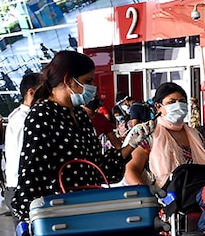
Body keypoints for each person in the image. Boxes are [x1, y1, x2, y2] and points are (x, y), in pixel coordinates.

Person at [12, 51, 141, 223]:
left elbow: (98, 168)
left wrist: (131, 144)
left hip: (89, 208)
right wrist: (32, 217)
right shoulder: (42, 115)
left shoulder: (80, 115)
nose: (93, 87)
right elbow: (33, 173)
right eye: (88, 81)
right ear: (68, 80)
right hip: (59, 214)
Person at [124, 82, 205, 187]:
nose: (178, 105)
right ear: (158, 106)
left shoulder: (196, 135)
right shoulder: (148, 133)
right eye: (172, 102)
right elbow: (131, 169)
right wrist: (149, 196)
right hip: (163, 198)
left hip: (200, 196)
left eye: (182, 101)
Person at [5, 72, 41, 220]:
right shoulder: (23, 120)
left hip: (22, 187)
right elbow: (26, 156)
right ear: (31, 93)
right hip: (22, 189)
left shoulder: (23, 116)